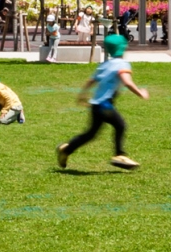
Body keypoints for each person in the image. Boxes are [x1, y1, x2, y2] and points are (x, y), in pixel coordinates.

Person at [57, 33, 145, 170]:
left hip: (96, 105)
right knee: (120, 125)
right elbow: (127, 82)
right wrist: (141, 93)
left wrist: (82, 95)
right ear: (123, 48)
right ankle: (119, 155)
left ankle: (66, 149)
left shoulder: (105, 64)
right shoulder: (123, 64)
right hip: (105, 105)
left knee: (91, 134)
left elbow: (91, 81)